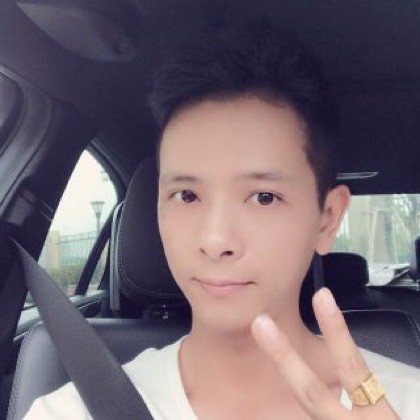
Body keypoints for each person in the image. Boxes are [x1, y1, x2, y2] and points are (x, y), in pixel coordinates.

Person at [25, 21, 419, 419]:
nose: (215, 240)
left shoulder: (409, 402)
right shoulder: (70, 412)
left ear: (327, 220)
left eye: (264, 197)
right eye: (187, 195)